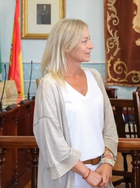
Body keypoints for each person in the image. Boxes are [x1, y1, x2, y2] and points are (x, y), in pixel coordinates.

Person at [33, 19, 118, 188]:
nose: (91, 45)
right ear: (66, 45)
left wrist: (108, 162)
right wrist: (86, 173)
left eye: (90, 39)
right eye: (84, 41)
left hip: (100, 173)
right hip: (69, 177)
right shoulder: (50, 84)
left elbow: (109, 125)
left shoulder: (95, 77)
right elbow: (52, 139)